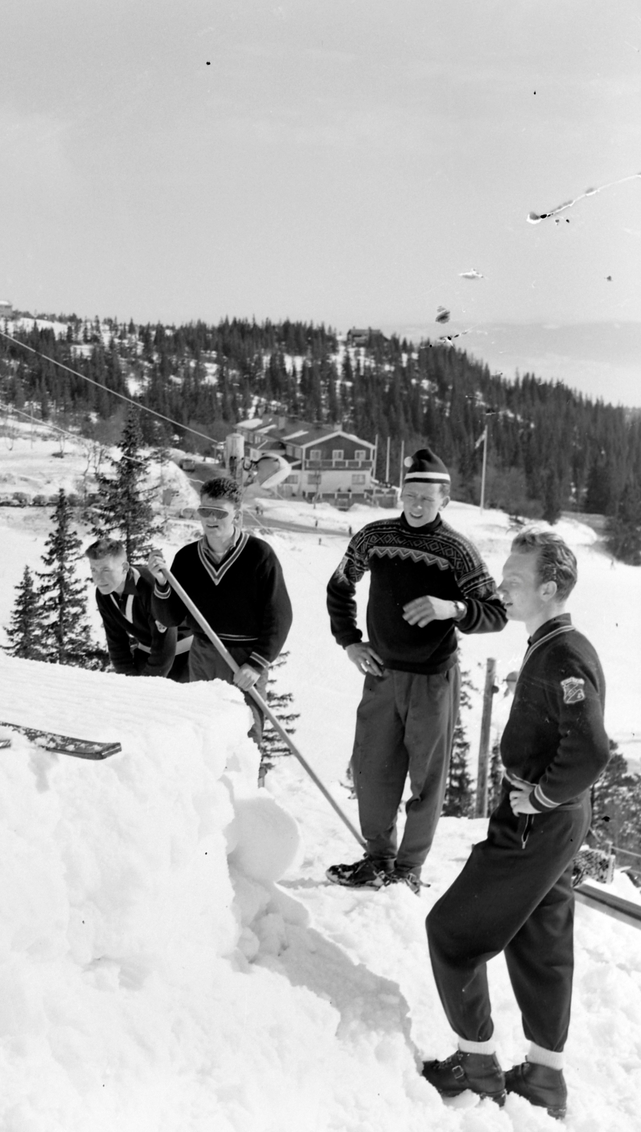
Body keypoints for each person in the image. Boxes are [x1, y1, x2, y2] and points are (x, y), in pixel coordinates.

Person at [421, 530, 610, 1118]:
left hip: (537, 821)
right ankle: (545, 1078)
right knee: (541, 941)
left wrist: (545, 796)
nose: (501, 586)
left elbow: (591, 751)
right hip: (554, 823)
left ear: (549, 588)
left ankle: (477, 1067)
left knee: (451, 934)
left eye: (514, 580)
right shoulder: (552, 643)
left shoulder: (564, 653)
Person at [325, 448, 506, 892]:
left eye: (427, 497)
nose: (417, 504)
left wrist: (454, 607)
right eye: (410, 495)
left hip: (432, 681)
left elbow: (495, 613)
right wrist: (349, 641)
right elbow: (339, 586)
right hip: (382, 674)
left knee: (426, 780)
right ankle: (377, 859)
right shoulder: (373, 536)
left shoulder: (458, 550)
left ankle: (408, 871)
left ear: (444, 499)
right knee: (371, 771)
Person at [146, 476, 293, 738]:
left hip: (245, 659)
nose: (210, 519)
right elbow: (170, 617)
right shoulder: (188, 558)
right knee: (203, 733)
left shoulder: (259, 555)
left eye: (219, 513)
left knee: (246, 737)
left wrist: (257, 663)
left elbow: (279, 616)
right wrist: (161, 583)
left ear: (236, 514)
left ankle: (249, 781)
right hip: (203, 654)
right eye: (205, 511)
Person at [85, 537, 192, 682]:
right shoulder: (104, 593)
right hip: (146, 656)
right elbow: (116, 642)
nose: (98, 578)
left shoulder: (149, 586)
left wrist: (145, 685)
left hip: (182, 660)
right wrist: (128, 678)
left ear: (124, 567)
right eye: (94, 570)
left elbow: (165, 649)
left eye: (106, 570)